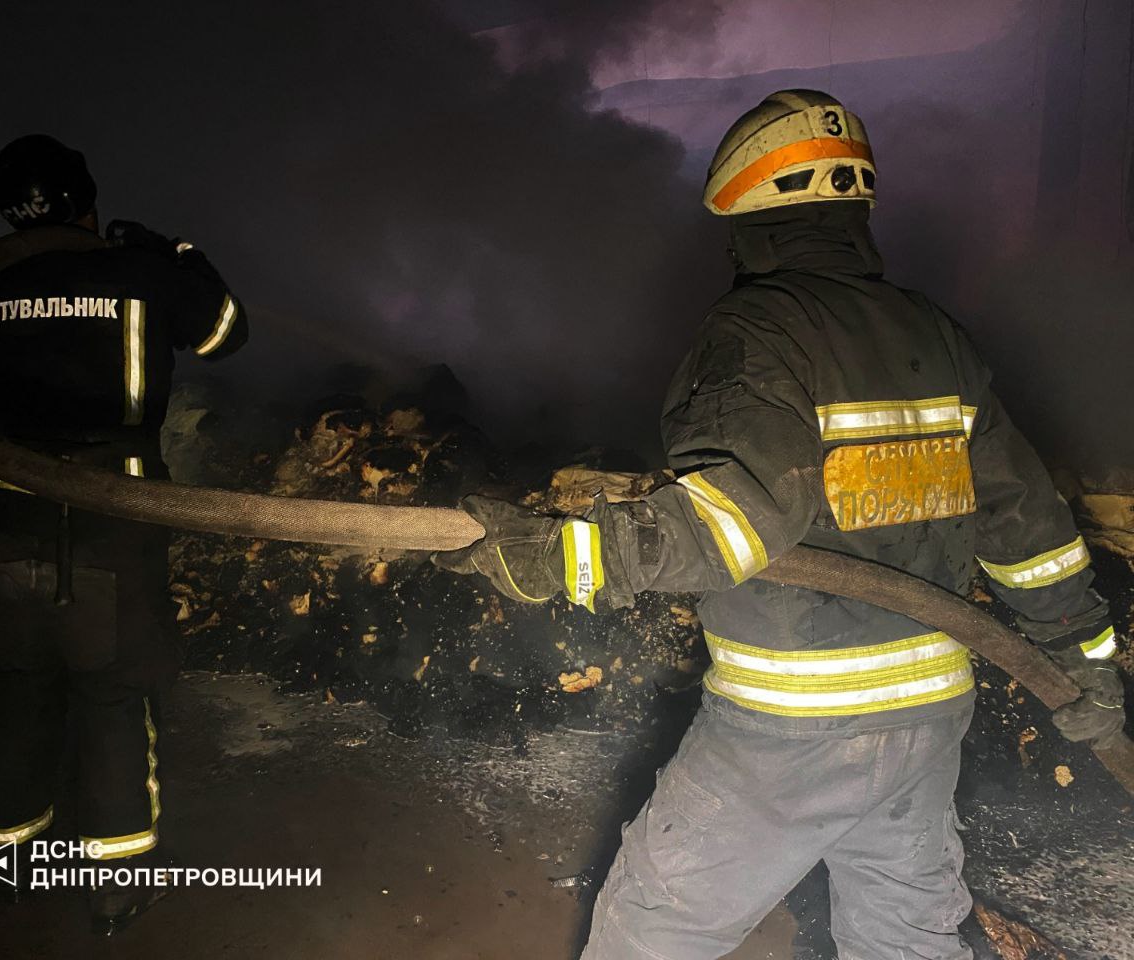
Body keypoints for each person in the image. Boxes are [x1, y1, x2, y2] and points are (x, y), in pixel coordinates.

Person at [435, 90, 1124, 960]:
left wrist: (565, 555)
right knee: (904, 933)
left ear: (749, 219)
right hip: (926, 716)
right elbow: (1027, 523)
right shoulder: (934, 333)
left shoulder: (758, 329)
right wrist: (1083, 658)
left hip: (792, 719)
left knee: (653, 929)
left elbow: (741, 512)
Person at [0, 134, 248, 933]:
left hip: (8, 515)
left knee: (13, 686)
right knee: (113, 690)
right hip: (113, 517)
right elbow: (225, 330)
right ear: (87, 199)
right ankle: (116, 887)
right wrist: (171, 251)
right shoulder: (136, 272)